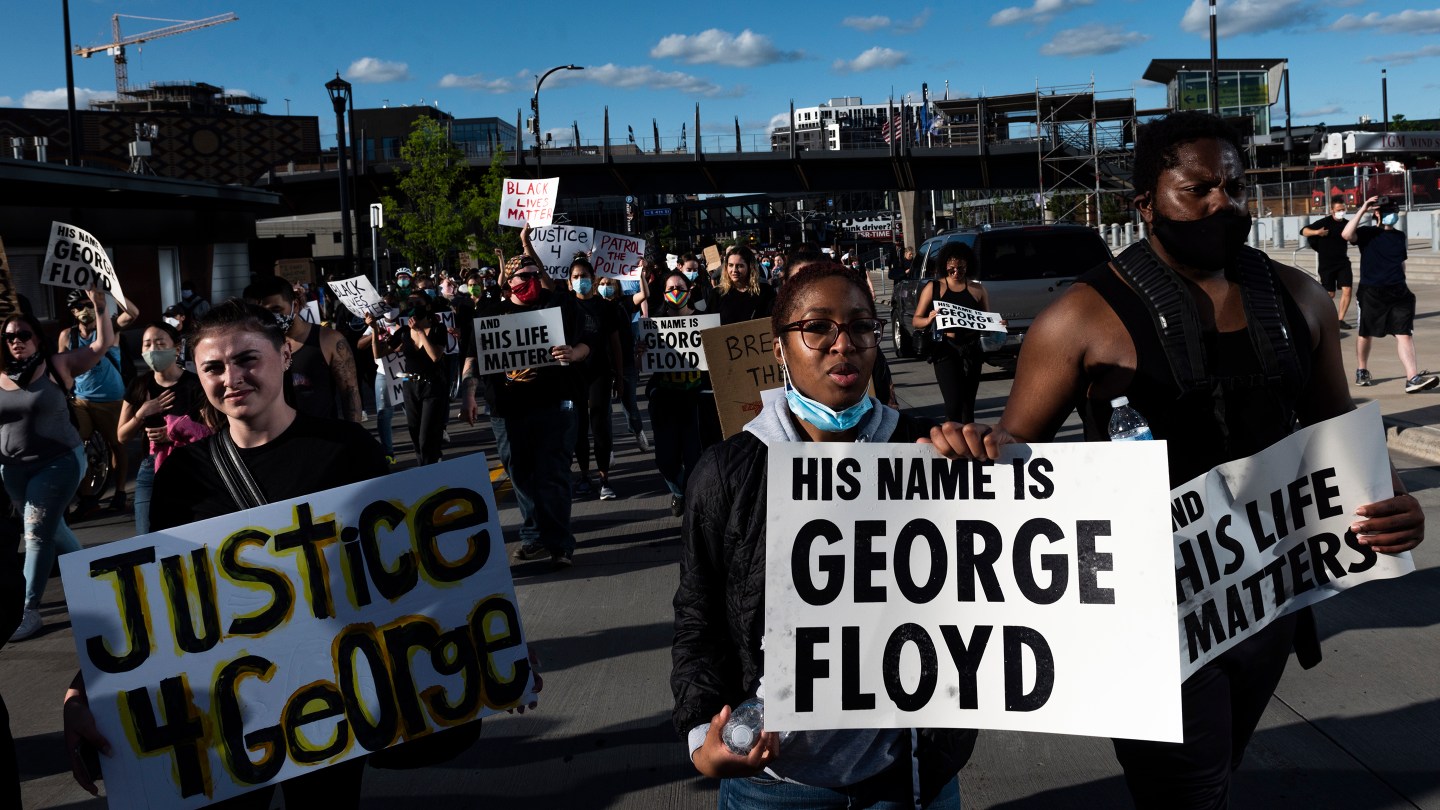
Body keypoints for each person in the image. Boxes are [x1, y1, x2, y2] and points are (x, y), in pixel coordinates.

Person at [928, 110, 1425, 809]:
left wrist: (1392, 498)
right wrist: (968, 449)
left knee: (1219, 770)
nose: (1224, 203)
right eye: (1198, 190)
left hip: (1265, 599)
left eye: (1235, 187)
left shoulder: (1298, 298)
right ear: (1146, 204)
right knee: (1185, 792)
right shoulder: (1080, 317)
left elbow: (1334, 421)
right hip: (1144, 611)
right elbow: (1018, 450)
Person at [672, 261, 975, 808]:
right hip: (774, 784)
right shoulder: (727, 472)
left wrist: (985, 478)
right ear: (779, 347)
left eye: (861, 327)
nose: (843, 344)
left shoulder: (927, 450)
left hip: (909, 777)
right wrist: (701, 739)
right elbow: (699, 613)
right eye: (817, 328)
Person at [460, 256, 589, 566]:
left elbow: (588, 343)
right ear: (509, 281)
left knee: (553, 474)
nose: (531, 280)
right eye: (523, 275)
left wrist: (573, 353)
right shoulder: (490, 315)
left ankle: (559, 544)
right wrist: (468, 393)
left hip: (553, 405)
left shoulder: (559, 307)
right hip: (507, 410)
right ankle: (535, 536)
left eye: (535, 274)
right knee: (520, 475)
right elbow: (472, 358)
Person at [1, 288, 114, 641]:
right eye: (9, 337)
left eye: (24, 335)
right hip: (13, 469)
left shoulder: (56, 365)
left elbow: (102, 346)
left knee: (36, 533)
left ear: (37, 337)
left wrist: (100, 309)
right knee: (51, 528)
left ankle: (28, 610)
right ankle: (95, 578)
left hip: (58, 462)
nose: (17, 342)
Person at [115, 322, 208, 535]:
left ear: (177, 348)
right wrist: (142, 413)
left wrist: (174, 433)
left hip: (192, 467)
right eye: (147, 344)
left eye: (160, 343)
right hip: (151, 468)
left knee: (192, 535)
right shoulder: (138, 385)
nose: (153, 350)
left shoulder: (196, 384)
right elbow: (121, 436)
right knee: (147, 536)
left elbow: (211, 430)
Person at [1344, 194, 1438, 393]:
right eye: (1388, 212)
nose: (1392, 215)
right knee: (1365, 333)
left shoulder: (1399, 236)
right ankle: (1362, 369)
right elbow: (1346, 234)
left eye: (1394, 212)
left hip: (1398, 292)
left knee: (1404, 334)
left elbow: (1401, 262)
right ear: (1377, 214)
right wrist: (1363, 209)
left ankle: (1412, 378)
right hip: (1371, 292)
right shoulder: (1367, 233)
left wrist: (1402, 280)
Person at [59, 287, 140, 515]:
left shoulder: (109, 328)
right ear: (73, 312)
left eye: (88, 305)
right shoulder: (67, 336)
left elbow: (133, 314)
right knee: (77, 446)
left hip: (111, 399)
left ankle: (120, 494)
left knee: (117, 446)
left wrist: (111, 290)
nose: (85, 310)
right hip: (81, 400)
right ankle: (87, 499)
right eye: (79, 307)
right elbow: (61, 367)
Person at [243, 274, 364, 422]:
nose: (271, 317)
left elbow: (350, 394)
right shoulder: (253, 345)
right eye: (263, 313)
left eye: (276, 309)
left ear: (295, 305)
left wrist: (354, 433)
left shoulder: (329, 340)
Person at [646, 271, 706, 517]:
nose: (675, 292)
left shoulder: (703, 321)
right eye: (670, 288)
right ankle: (680, 491)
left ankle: (692, 503)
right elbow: (644, 364)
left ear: (689, 292)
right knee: (665, 460)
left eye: (680, 288)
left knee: (694, 457)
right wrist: (641, 351)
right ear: (664, 294)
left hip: (694, 400)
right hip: (665, 400)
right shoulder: (654, 324)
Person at [911, 242, 992, 423]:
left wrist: (998, 324)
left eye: (961, 268)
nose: (956, 272)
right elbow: (916, 320)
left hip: (971, 349)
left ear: (968, 266)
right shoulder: (934, 287)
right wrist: (928, 320)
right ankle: (952, 437)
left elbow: (987, 320)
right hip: (945, 348)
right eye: (951, 269)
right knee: (953, 404)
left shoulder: (977, 289)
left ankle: (967, 439)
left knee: (968, 406)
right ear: (944, 267)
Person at [567, 258, 624, 499]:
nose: (580, 280)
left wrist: (620, 376)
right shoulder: (566, 306)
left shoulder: (605, 307)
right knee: (579, 428)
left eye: (584, 276)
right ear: (569, 282)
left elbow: (615, 344)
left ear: (593, 279)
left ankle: (604, 479)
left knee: (600, 425)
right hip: (574, 375)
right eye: (576, 277)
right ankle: (584, 475)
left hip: (599, 371)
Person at [379, 292, 450, 465]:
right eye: (410, 304)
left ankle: (430, 467)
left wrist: (420, 332)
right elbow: (379, 353)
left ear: (427, 306)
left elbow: (435, 356)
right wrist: (374, 330)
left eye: (418, 303)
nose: (413, 308)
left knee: (426, 436)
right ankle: (424, 466)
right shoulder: (404, 331)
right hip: (410, 386)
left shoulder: (438, 329)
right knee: (415, 434)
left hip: (432, 386)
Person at [598, 275, 650, 452]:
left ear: (616, 286)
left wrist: (640, 274)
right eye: (602, 283)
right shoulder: (595, 306)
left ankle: (638, 430)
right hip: (603, 364)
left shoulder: (624, 303)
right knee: (604, 410)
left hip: (626, 360)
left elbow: (644, 294)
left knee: (630, 404)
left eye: (609, 283)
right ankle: (608, 448)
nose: (605, 286)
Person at [357, 294, 403, 463]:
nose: (389, 309)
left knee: (413, 411)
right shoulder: (378, 324)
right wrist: (374, 331)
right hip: (384, 373)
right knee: (384, 414)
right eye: (385, 305)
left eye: (393, 304)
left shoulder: (406, 322)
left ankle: (422, 446)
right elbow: (360, 344)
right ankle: (388, 452)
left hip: (405, 374)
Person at [1301, 196, 1355, 328]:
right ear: (1332, 210)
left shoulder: (1347, 224)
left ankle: (1340, 320)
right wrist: (1317, 232)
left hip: (1343, 262)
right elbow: (1303, 231)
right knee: (1329, 293)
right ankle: (1315, 314)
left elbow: (1354, 237)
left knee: (1347, 289)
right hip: (1327, 263)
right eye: (1338, 210)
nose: (1341, 212)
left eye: (1343, 209)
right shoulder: (1324, 222)